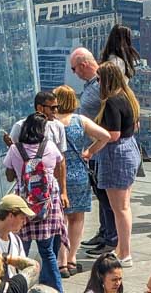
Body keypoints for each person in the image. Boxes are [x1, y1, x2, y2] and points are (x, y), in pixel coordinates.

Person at [83, 63, 141, 268]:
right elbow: (134, 126)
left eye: (99, 79)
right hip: (130, 150)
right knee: (124, 207)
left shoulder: (111, 102)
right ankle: (122, 249)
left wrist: (91, 147)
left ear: (106, 80)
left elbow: (112, 135)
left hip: (116, 156)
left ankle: (124, 253)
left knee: (120, 209)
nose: (97, 83)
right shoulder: (128, 97)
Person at [4, 113, 67, 293]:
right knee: (47, 251)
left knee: (20, 250)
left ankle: (18, 288)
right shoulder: (49, 146)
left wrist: (12, 152)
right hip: (46, 205)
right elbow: (59, 164)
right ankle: (58, 290)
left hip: (23, 205)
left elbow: (10, 177)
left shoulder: (15, 149)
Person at [53, 85, 110, 277]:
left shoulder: (50, 123)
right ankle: (72, 259)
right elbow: (105, 136)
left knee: (59, 220)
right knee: (76, 219)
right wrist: (89, 152)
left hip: (55, 176)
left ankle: (60, 262)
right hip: (78, 174)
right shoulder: (80, 120)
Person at [70, 48, 117, 257]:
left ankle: (111, 239)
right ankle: (104, 231)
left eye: (74, 68)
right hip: (95, 150)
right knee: (100, 193)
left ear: (83, 65)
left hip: (102, 148)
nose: (74, 73)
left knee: (107, 197)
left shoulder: (101, 86)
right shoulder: (92, 86)